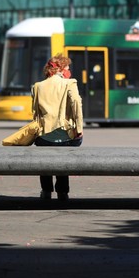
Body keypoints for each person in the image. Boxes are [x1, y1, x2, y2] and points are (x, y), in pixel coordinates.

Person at [32, 53, 83, 201]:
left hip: (44, 137)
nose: (69, 71)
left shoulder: (37, 86)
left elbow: (35, 114)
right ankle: (62, 192)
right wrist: (79, 129)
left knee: (44, 156)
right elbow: (77, 106)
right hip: (65, 137)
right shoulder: (69, 83)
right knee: (65, 153)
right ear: (60, 69)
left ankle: (46, 191)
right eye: (67, 68)